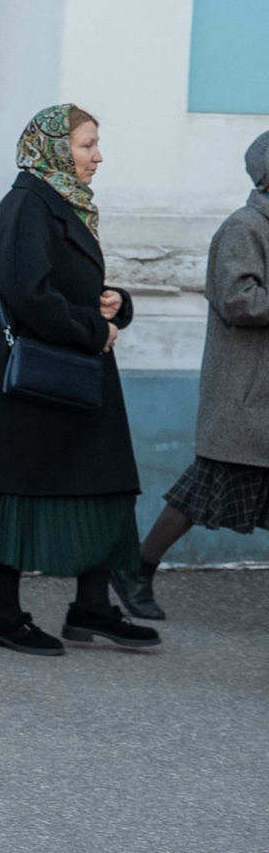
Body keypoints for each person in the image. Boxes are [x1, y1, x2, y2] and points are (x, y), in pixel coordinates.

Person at [0, 106, 158, 655]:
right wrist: (91, 330)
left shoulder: (62, 202)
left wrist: (115, 303)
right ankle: (2, 615)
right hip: (30, 378)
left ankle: (91, 606)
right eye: (86, 145)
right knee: (15, 489)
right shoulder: (27, 204)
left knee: (102, 479)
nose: (98, 156)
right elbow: (29, 294)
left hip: (70, 371)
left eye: (96, 145)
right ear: (52, 148)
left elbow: (63, 281)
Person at [127, 131, 269, 615]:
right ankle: (137, 568)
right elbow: (237, 299)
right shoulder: (244, 227)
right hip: (245, 391)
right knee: (205, 486)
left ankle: (136, 569)